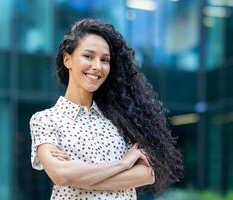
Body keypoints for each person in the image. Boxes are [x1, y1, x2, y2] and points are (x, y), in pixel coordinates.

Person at [30, 18, 183, 200]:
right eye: (88, 56)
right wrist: (124, 164)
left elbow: (147, 174)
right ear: (67, 60)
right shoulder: (45, 120)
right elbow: (62, 175)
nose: (97, 66)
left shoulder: (122, 117)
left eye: (105, 60)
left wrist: (78, 176)